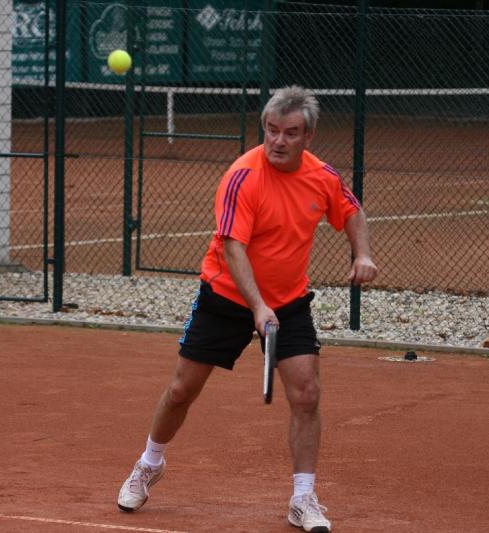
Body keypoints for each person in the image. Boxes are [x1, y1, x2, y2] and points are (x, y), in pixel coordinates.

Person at [116, 86, 378, 532]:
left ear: (308, 136)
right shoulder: (243, 176)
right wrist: (257, 307)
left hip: (289, 301)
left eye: (290, 133)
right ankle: (149, 463)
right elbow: (233, 248)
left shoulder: (321, 176)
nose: (278, 141)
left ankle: (302, 498)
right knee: (181, 390)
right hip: (226, 298)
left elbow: (351, 211)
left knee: (307, 394)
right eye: (271, 130)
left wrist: (363, 254)